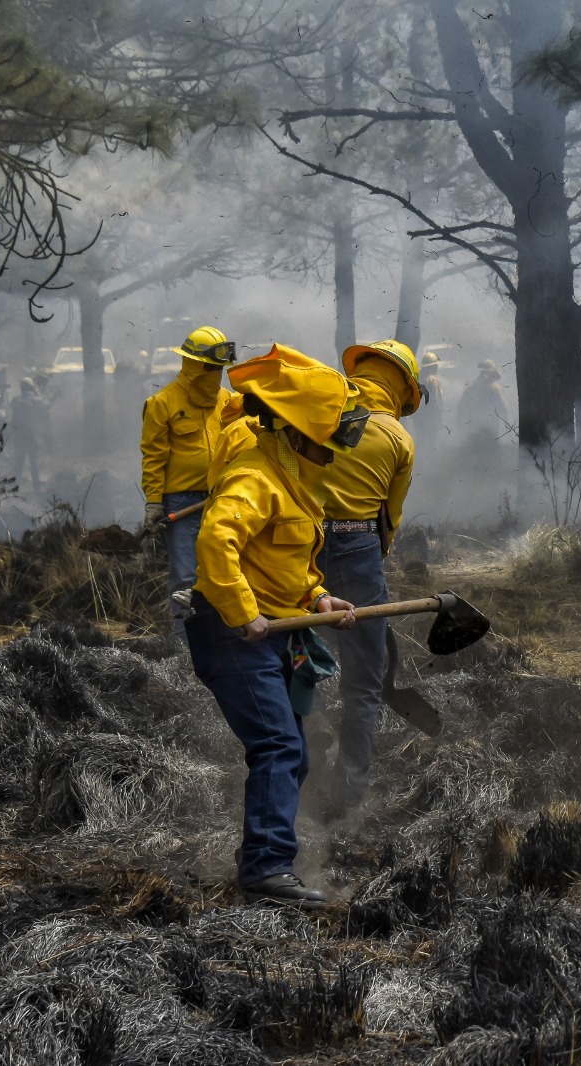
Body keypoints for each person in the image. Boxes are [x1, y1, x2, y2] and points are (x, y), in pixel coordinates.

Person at [186, 343, 369, 905]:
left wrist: (317, 599)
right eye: (331, 436)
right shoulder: (255, 476)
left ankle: (259, 856)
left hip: (274, 629)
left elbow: (283, 561)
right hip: (232, 633)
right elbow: (216, 542)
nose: (336, 448)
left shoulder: (289, 475)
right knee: (277, 745)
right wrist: (244, 616)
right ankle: (267, 870)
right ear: (297, 431)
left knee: (291, 750)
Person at [313, 338, 419, 815]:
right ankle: (350, 787)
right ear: (402, 388)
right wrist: (373, 556)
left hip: (299, 543)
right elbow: (388, 520)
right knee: (362, 680)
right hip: (358, 548)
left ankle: (308, 731)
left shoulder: (316, 413)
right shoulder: (397, 438)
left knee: (293, 652)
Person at [140, 326, 236, 633]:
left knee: (225, 570)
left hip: (222, 498)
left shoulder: (228, 401)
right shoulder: (162, 403)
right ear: (192, 364)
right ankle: (185, 651)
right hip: (181, 504)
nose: (216, 373)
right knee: (185, 577)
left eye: (220, 368)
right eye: (210, 367)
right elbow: (153, 457)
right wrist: (154, 502)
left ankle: (222, 641)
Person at [7, 378, 52, 492]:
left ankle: (15, 487)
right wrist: (37, 392)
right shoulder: (38, 400)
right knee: (34, 463)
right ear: (32, 387)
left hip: (20, 436)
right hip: (34, 436)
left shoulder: (15, 400)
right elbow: (47, 406)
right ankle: (37, 488)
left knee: (19, 462)